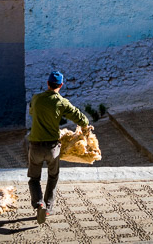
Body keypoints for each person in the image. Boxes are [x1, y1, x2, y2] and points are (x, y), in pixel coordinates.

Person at [27, 70, 89, 223]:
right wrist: (86, 125)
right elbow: (79, 116)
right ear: (61, 85)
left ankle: (38, 203)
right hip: (53, 148)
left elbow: (31, 112)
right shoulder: (62, 102)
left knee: (34, 178)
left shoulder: (36, 99)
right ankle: (48, 208)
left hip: (35, 147)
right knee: (53, 177)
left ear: (47, 83)